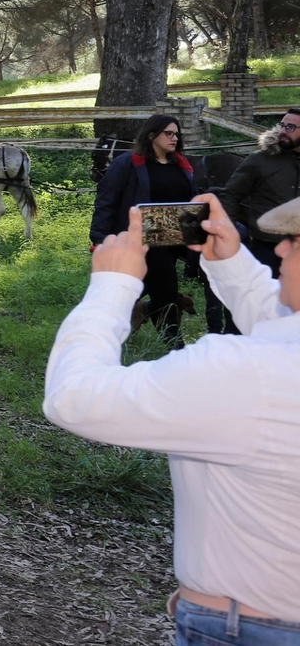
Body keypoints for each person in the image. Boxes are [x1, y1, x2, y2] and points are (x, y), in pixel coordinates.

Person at [45, 192, 300, 643]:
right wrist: (232, 264)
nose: (280, 248)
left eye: (295, 242)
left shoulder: (244, 373)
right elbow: (283, 333)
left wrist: (112, 285)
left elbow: (74, 396)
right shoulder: (275, 367)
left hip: (255, 628)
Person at [92, 115, 198, 348]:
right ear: (152, 135)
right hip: (139, 238)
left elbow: (190, 201)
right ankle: (176, 347)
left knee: (146, 290)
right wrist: (99, 238)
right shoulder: (128, 163)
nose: (174, 138)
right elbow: (106, 200)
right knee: (166, 290)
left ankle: (109, 328)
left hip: (173, 239)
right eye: (169, 133)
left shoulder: (180, 165)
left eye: (176, 134)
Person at [221, 108, 300, 278]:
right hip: (268, 250)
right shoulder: (260, 160)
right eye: (282, 125)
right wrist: (228, 232)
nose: (283, 131)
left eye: (291, 127)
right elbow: (230, 195)